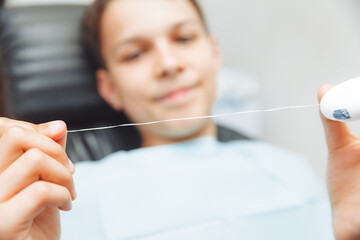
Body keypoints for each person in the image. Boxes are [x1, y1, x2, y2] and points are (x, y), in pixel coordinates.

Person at [0, 0, 359, 239]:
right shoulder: (60, 198)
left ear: (215, 53)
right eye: (136, 53)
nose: (169, 64)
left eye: (184, 38)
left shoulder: (293, 169)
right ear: (109, 88)